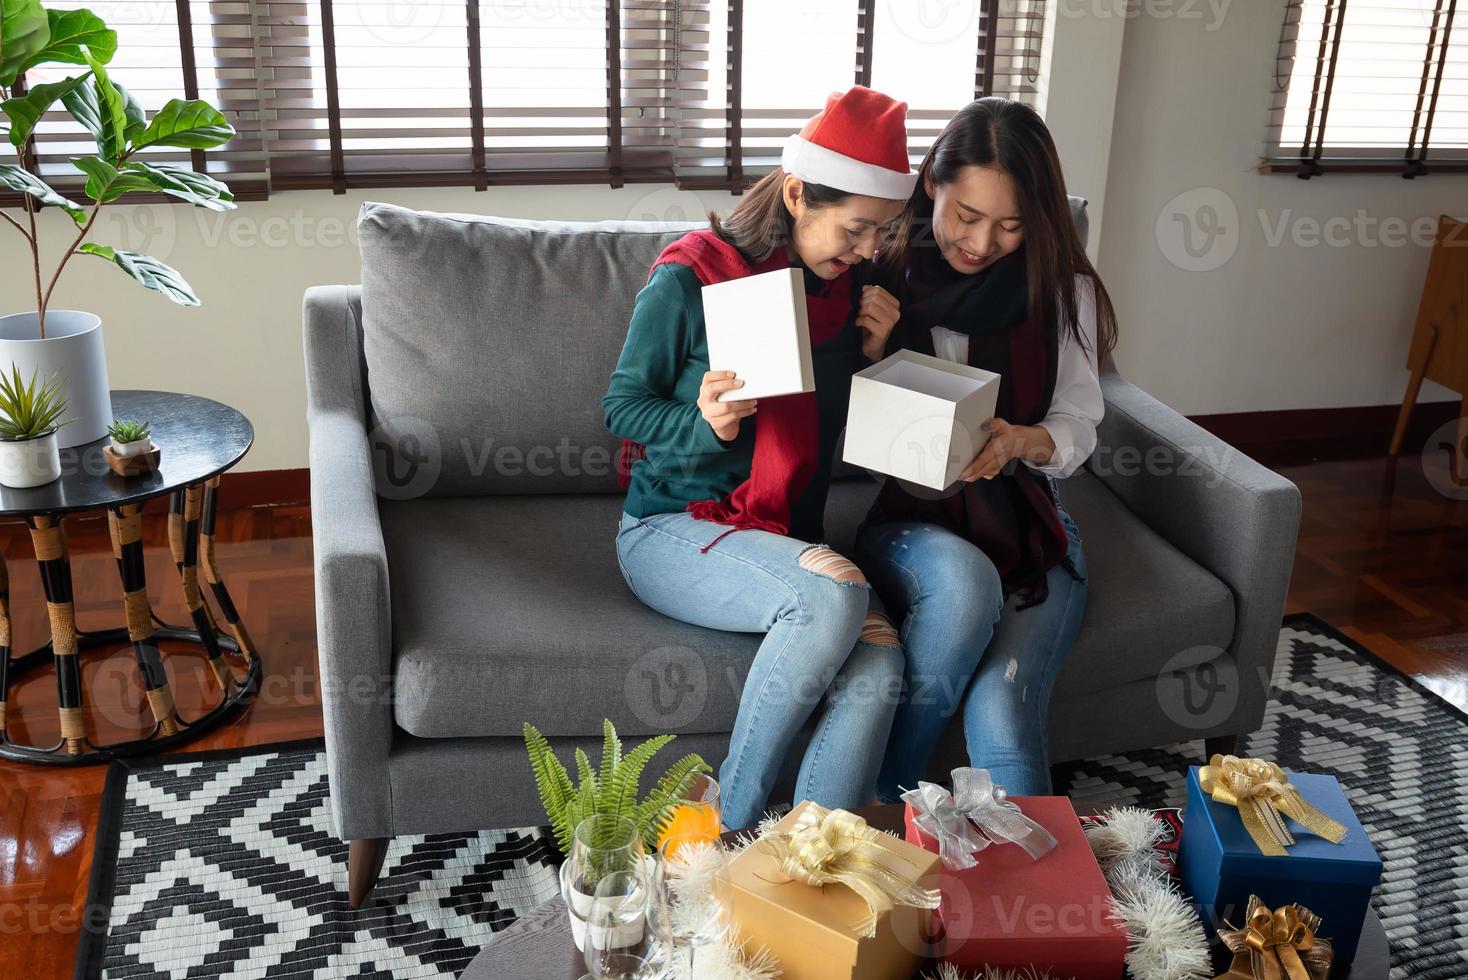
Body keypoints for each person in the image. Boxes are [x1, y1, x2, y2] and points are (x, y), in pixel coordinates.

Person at [603, 87, 917, 829]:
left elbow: (849, 450)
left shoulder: (847, 300)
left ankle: (811, 862)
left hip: (780, 537)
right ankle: (726, 824)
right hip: (671, 525)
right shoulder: (689, 277)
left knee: (882, 664)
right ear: (800, 193)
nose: (870, 250)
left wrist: (876, 360)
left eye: (882, 233)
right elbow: (620, 408)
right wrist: (701, 420)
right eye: (859, 229)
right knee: (838, 597)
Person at [860, 97, 1119, 800]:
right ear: (930, 188)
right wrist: (874, 355)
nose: (980, 243)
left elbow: (1078, 421)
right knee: (965, 586)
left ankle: (1035, 906)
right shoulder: (881, 271)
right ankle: (887, 815)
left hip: (1028, 522)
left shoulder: (1062, 287)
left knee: (1003, 708)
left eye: (1009, 225)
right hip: (913, 520)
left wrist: (1021, 440)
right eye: (965, 217)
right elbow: (835, 436)